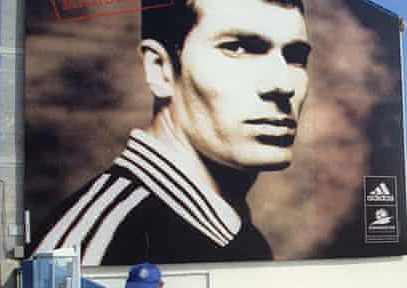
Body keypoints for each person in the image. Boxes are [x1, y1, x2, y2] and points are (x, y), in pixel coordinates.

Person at [34, 0, 311, 265]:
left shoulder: (236, 231)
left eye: (296, 57)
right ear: (160, 69)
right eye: (237, 48)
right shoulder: (89, 247)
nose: (283, 84)